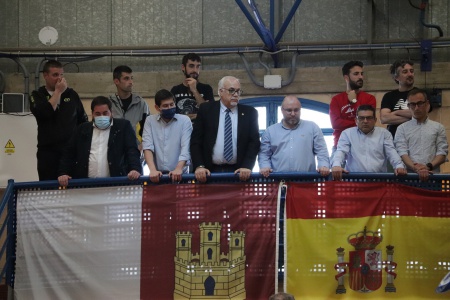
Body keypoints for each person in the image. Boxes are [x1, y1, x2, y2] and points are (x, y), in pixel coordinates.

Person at [57, 96, 142, 187]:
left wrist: (135, 169)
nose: (102, 116)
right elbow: (69, 153)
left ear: (111, 112)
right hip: (86, 185)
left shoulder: (123, 127)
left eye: (105, 113)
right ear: (92, 114)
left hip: (116, 184)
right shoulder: (82, 129)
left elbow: (132, 150)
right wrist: (63, 173)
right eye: (97, 114)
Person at [190, 76, 260, 183]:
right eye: (231, 90)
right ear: (220, 92)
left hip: (239, 172)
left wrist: (247, 166)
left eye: (238, 91)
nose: (236, 94)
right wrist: (199, 166)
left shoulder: (250, 113)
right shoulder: (206, 110)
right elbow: (196, 141)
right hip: (209, 172)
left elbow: (254, 142)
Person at [29, 59, 88, 181]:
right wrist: (58, 92)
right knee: (49, 188)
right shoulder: (37, 95)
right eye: (55, 75)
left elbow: (82, 119)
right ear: (45, 76)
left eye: (61, 75)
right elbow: (45, 113)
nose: (59, 79)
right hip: (48, 153)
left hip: (70, 152)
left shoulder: (72, 94)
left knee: (73, 187)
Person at [258, 95, 330, 177]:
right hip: (279, 182)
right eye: (289, 110)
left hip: (307, 183)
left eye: (296, 110)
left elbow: (321, 151)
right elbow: (264, 154)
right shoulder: (270, 131)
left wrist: (323, 166)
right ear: (282, 110)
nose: (293, 114)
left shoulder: (312, 128)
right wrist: (265, 167)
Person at [331, 105, 407, 181]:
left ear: (375, 120)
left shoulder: (384, 133)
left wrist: (399, 165)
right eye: (361, 118)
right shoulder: (347, 133)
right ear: (356, 120)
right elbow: (341, 151)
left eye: (369, 118)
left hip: (379, 182)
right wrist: (336, 165)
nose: (365, 121)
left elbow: (391, 152)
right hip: (354, 182)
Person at [394, 89, 448, 182]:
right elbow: (402, 153)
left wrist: (428, 167)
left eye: (420, 104)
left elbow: (442, 153)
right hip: (409, 179)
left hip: (433, 179)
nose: (416, 108)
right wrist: (417, 169)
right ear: (408, 106)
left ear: (427, 104)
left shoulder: (439, 127)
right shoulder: (401, 128)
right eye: (412, 104)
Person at [142, 89, 192, 183]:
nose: (169, 107)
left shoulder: (185, 121)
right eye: (165, 106)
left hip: (181, 176)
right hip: (157, 176)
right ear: (157, 108)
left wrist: (178, 168)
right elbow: (147, 147)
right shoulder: (150, 121)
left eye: (172, 104)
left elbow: (186, 147)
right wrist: (152, 170)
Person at [329, 61, 376, 153]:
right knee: (336, 167)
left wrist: (354, 102)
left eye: (362, 74)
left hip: (364, 144)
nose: (360, 77)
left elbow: (368, 122)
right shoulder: (336, 99)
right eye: (356, 74)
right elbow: (335, 124)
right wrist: (357, 123)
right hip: (340, 145)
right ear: (346, 78)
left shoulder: (370, 98)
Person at [109, 65, 149, 146]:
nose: (131, 82)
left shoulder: (141, 104)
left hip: (136, 151)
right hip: (114, 152)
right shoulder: (109, 104)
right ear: (116, 81)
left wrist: (142, 146)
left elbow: (149, 129)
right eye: (126, 78)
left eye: (132, 78)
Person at [170, 53, 214, 121]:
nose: (195, 70)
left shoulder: (206, 88)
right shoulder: (175, 90)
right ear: (183, 67)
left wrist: (194, 90)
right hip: (182, 129)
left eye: (198, 66)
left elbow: (210, 112)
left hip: (201, 130)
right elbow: (171, 115)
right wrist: (185, 118)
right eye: (191, 66)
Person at [380, 60, 416, 137]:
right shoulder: (389, 96)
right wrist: (413, 118)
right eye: (405, 72)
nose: (410, 74)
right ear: (396, 77)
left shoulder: (420, 94)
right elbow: (384, 118)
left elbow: (420, 113)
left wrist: (396, 112)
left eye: (411, 71)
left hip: (415, 138)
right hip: (394, 139)